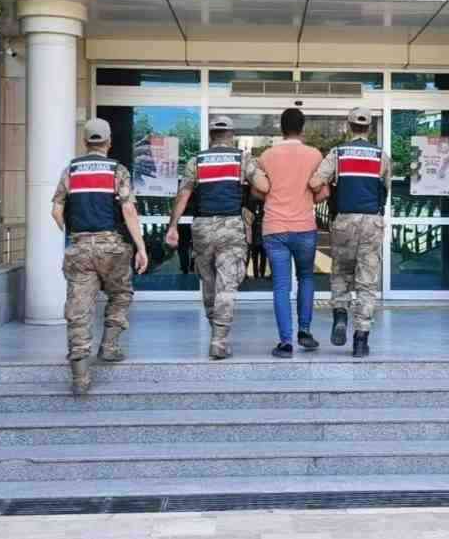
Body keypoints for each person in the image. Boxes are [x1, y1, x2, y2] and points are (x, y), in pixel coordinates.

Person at [52, 118, 149, 395]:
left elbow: (56, 210)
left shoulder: (70, 170)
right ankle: (109, 346)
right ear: (108, 142)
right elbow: (128, 210)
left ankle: (80, 376)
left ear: (85, 141)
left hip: (79, 247)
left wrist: (72, 232)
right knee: (120, 294)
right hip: (111, 246)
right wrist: (141, 247)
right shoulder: (117, 170)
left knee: (79, 308)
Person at [165, 116, 269, 360]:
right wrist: (248, 186)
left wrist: (172, 227)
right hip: (231, 227)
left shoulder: (196, 161)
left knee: (209, 283)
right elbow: (264, 187)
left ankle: (215, 332)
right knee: (227, 285)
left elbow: (183, 196)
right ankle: (219, 340)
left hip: (202, 227)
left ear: (211, 136)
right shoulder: (241, 159)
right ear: (231, 135)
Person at [310, 107, 390, 358]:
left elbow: (314, 182)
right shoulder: (381, 156)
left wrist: (332, 189)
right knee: (366, 283)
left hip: (344, 220)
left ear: (348, 126)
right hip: (372, 221)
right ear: (369, 128)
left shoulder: (338, 154)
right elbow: (385, 189)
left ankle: (340, 316)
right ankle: (360, 340)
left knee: (341, 273)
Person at [257, 108, 329, 358]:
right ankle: (305, 332)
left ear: (281, 127)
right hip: (304, 228)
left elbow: (258, 190)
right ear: (303, 128)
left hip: (275, 228)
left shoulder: (267, 155)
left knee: (281, 285)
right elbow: (323, 193)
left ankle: (285, 342)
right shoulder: (314, 155)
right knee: (307, 278)